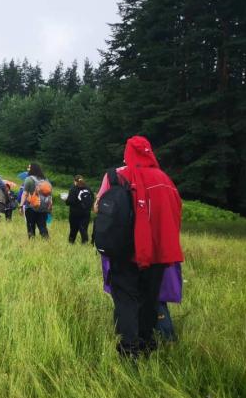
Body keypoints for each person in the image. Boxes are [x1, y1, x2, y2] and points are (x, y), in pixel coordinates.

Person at [95, 135, 184, 358]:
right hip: (157, 252)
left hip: (125, 250)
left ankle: (130, 347)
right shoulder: (165, 179)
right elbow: (176, 212)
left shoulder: (116, 176)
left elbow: (101, 207)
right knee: (149, 298)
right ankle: (146, 343)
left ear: (127, 153)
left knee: (126, 298)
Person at [21, 162, 52, 239]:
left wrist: (21, 205)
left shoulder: (29, 179)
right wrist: (50, 206)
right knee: (42, 226)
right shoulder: (46, 180)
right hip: (43, 207)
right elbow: (49, 194)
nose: (27, 169)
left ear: (32, 169)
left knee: (31, 226)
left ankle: (32, 242)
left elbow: (25, 194)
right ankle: (46, 241)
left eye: (29, 167)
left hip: (31, 207)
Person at [65, 175, 93, 244]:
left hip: (75, 213)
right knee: (83, 228)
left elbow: (70, 201)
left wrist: (66, 199)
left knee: (73, 229)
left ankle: (71, 242)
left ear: (75, 181)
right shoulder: (88, 188)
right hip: (86, 212)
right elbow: (92, 198)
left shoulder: (74, 189)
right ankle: (85, 242)